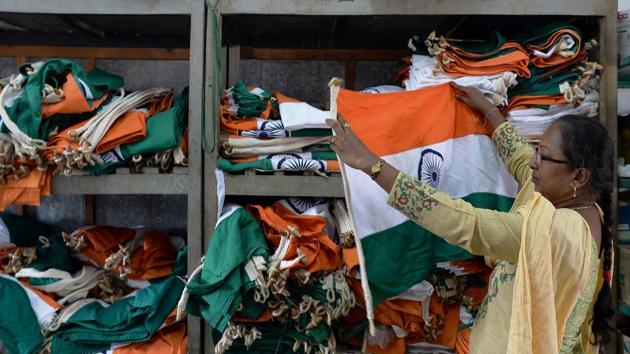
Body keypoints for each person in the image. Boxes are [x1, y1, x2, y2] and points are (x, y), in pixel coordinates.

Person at [326, 83, 614, 354]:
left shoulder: (556, 233)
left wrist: (373, 166)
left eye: (544, 157)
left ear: (579, 176)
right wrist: (488, 111)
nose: (533, 162)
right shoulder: (573, 205)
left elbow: (467, 223)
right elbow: (520, 157)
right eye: (537, 151)